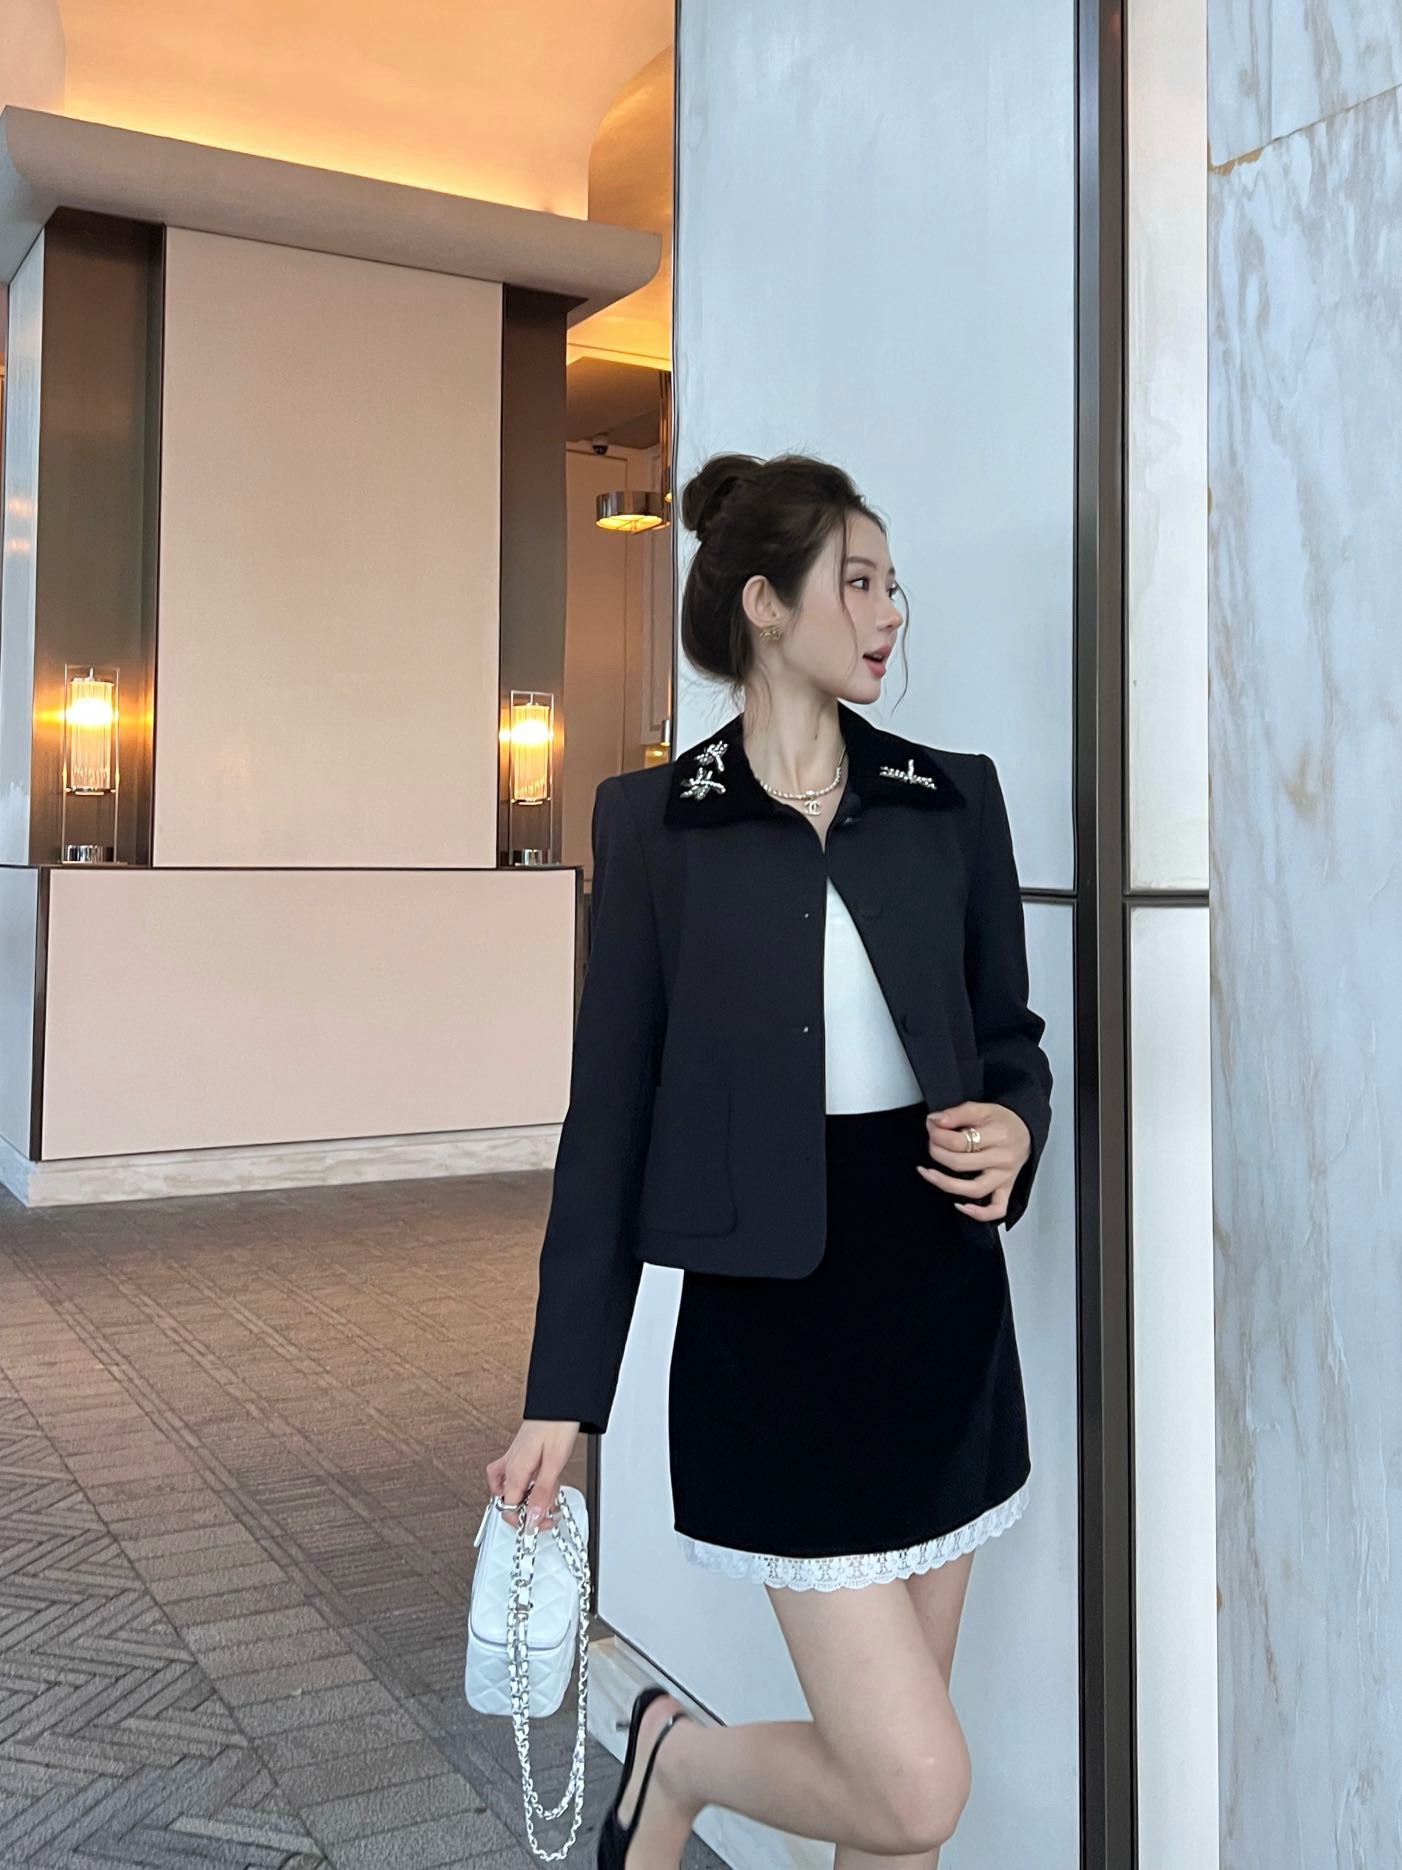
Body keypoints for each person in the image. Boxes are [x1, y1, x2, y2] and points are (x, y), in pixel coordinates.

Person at [487, 452, 1053, 1870]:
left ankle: (674, 1756)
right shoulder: (655, 827)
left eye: (891, 585)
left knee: (892, 1820)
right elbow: (609, 1121)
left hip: (944, 1327)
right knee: (914, 1784)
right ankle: (674, 1757)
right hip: (775, 1349)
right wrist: (564, 1393)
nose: (889, 613)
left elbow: (1009, 1041)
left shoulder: (949, 800)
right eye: (856, 583)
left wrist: (1017, 1125)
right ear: (764, 604)